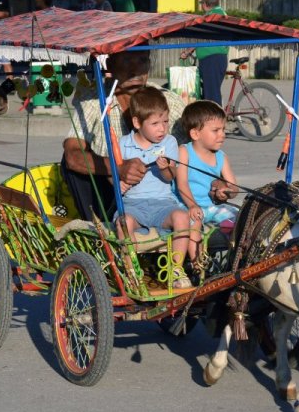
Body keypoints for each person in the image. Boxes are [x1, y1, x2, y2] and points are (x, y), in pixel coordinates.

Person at [62, 50, 186, 222]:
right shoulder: (94, 101)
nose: (136, 70)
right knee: (70, 163)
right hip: (113, 192)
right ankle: (98, 224)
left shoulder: (168, 100)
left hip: (164, 193)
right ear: (110, 65)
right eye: (127, 61)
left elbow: (196, 144)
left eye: (142, 60)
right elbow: (72, 156)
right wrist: (118, 168)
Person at [117, 86, 192, 288]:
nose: (162, 128)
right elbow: (115, 177)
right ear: (137, 123)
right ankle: (131, 269)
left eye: (166, 122)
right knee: (123, 223)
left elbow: (170, 178)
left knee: (182, 217)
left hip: (162, 204)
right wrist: (120, 184)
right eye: (155, 123)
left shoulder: (169, 142)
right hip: (133, 204)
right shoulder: (123, 144)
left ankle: (176, 269)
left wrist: (167, 168)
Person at [175, 100, 238, 264]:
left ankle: (233, 258)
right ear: (195, 134)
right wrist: (192, 205)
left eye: (223, 129)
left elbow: (234, 187)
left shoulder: (221, 156)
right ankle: (197, 262)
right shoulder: (184, 151)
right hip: (186, 205)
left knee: (238, 218)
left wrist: (226, 190)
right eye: (216, 130)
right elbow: (182, 183)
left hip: (211, 207)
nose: (222, 134)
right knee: (194, 222)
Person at [180, 0, 228, 105]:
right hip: (219, 58)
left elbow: (199, 38)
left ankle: (215, 120)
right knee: (211, 91)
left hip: (211, 60)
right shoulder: (221, 13)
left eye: (202, 3)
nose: (201, 6)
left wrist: (187, 52)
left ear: (205, 4)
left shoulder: (209, 17)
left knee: (211, 96)